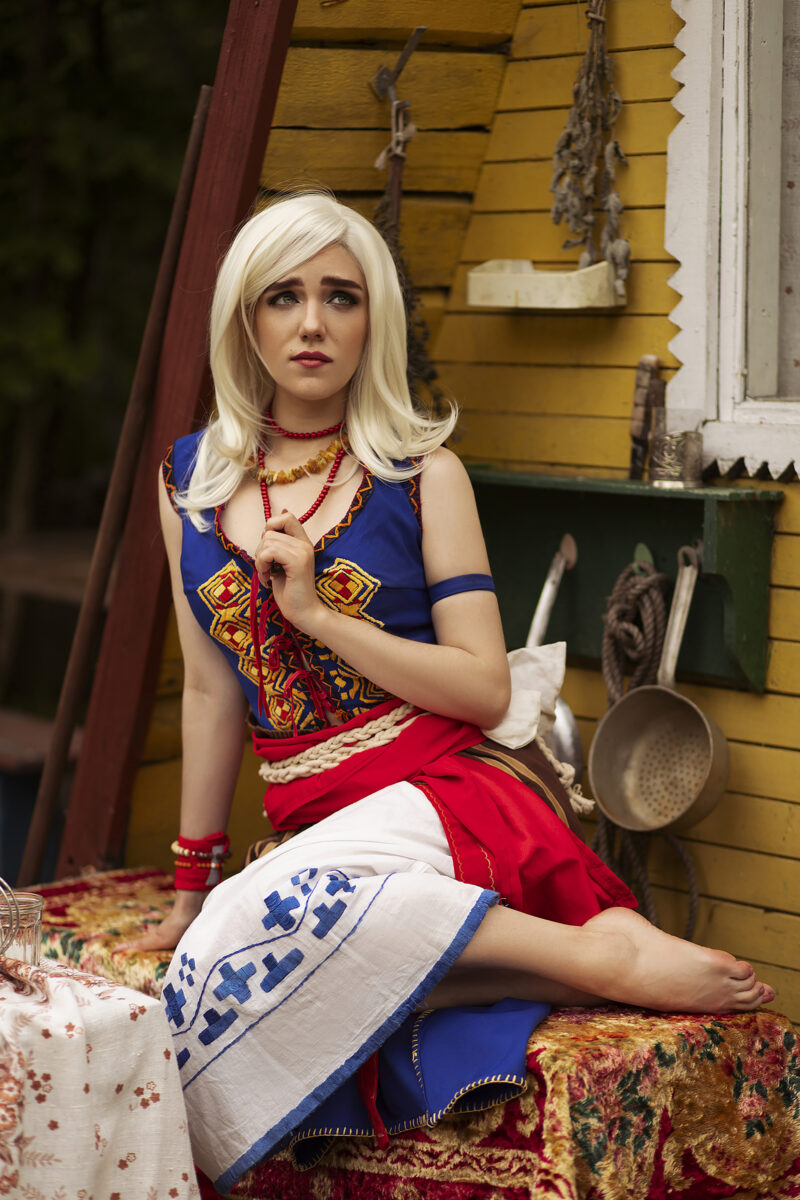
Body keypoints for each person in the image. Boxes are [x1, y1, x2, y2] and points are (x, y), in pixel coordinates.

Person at [133, 192, 774, 1192]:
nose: (312, 323)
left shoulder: (424, 476)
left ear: (373, 320)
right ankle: (579, 954)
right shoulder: (191, 483)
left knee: (243, 928)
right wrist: (187, 886)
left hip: (443, 792)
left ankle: (605, 962)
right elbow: (213, 694)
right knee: (257, 929)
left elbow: (481, 687)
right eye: (283, 297)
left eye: (341, 297)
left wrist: (321, 618)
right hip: (314, 829)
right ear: (242, 321)